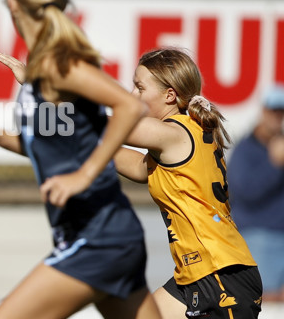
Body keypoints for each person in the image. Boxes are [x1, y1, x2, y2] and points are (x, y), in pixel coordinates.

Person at [0, 0, 161, 319]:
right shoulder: (40, 70)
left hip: (97, 240)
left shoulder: (56, 63)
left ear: (14, 4)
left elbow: (130, 107)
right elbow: (50, 146)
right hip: (107, 238)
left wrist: (83, 176)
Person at [112, 48, 263, 318]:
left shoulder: (174, 132)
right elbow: (137, 166)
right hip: (198, 274)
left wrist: (50, 91)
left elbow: (109, 128)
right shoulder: (182, 132)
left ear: (169, 95)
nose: (132, 95)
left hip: (220, 275)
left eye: (139, 87)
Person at [228, 84, 284, 302]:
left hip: (280, 235)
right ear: (263, 112)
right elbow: (244, 193)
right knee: (261, 301)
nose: (277, 117)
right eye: (274, 111)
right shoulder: (246, 149)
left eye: (281, 112)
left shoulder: (279, 145)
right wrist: (274, 165)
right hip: (257, 237)